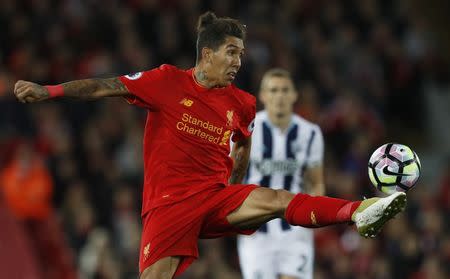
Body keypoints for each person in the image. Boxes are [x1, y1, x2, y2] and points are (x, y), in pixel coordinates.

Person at [14, 11, 407, 279]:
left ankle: (360, 210)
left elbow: (243, 145)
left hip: (215, 197)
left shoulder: (242, 103)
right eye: (231, 52)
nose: (238, 61)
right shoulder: (165, 81)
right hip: (168, 205)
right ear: (207, 54)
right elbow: (105, 86)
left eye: (241, 53)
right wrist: (47, 91)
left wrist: (234, 185)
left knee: (274, 199)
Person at [237, 68, 324, 279]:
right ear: (263, 95)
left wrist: (317, 216)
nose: (280, 96)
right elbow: (233, 176)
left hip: (294, 228)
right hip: (257, 229)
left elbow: (315, 182)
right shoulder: (248, 130)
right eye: (274, 90)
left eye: (285, 90)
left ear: (294, 95)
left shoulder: (310, 133)